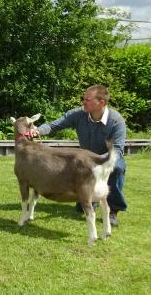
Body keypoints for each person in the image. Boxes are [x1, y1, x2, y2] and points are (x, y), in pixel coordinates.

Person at [33, 85, 127, 227]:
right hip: (84, 162)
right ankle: (90, 199)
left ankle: (113, 210)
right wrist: (37, 131)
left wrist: (97, 161)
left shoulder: (116, 121)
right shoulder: (78, 114)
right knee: (81, 207)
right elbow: (53, 126)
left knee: (118, 168)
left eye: (87, 100)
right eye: (83, 98)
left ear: (101, 102)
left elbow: (117, 151)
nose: (83, 102)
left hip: (107, 159)